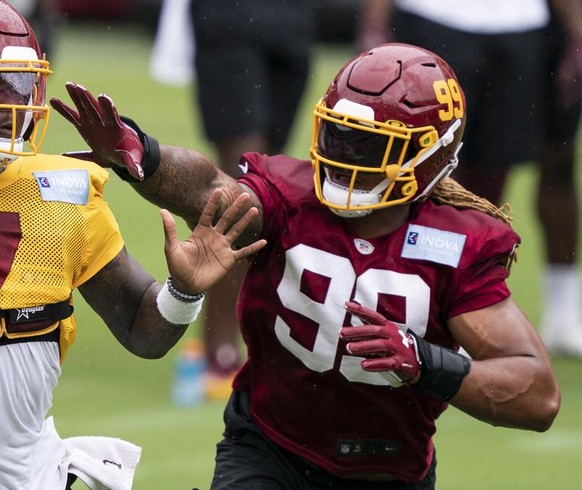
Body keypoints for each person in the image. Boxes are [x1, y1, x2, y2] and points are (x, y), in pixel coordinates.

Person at [51, 43, 560, 489]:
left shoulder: (454, 244)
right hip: (268, 448)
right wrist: (144, 157)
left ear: (428, 157)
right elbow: (213, 190)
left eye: (368, 146)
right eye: (338, 137)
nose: (344, 157)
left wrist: (425, 363)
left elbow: (538, 396)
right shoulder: (291, 198)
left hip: (389, 472)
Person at [0, 2, 265, 489]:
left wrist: (183, 292)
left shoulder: (60, 197)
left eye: (10, 88)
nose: (3, 108)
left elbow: (144, 330)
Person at [355, 0, 582, 358]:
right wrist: (374, 20)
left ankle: (473, 312)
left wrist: (577, 29)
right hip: (431, 16)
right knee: (419, 170)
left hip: (520, 24)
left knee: (490, 181)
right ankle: (410, 304)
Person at [185, 0, 316, 398]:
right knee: (243, 183)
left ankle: (241, 330)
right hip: (231, 16)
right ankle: (219, 345)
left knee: (270, 175)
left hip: (296, 18)